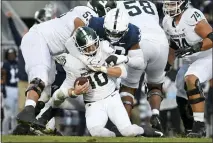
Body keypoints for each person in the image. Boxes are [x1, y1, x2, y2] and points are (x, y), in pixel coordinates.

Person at [48, 26, 144, 137]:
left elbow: (123, 72)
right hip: (93, 103)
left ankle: (145, 131)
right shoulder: (73, 60)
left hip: (112, 97)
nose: (92, 49)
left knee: (128, 131)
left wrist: (103, 68)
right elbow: (60, 94)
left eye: (93, 45)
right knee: (97, 133)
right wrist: (75, 92)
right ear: (79, 48)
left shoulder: (105, 48)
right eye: (87, 48)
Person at [16, 5, 98, 129]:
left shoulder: (91, 18)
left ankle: (30, 125)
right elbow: (78, 28)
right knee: (41, 74)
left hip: (50, 49)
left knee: (47, 89)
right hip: (38, 38)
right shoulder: (88, 13)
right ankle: (27, 111)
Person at [115, 1, 169, 132]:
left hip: (139, 39)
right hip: (161, 41)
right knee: (155, 84)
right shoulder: (150, 4)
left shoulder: (120, 3)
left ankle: (125, 125)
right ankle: (156, 114)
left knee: (128, 86)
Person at [162, 0, 213, 137]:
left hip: (207, 56)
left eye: (173, 4)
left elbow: (211, 38)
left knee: (191, 78)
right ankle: (190, 127)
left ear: (183, 3)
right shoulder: (167, 21)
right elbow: (173, 45)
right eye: (168, 4)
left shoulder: (191, 15)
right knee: (180, 87)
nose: (169, 7)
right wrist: (166, 68)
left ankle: (200, 126)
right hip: (190, 61)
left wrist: (194, 48)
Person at [2, 48, 19, 134]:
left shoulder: (18, 63)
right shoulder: (5, 64)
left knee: (16, 115)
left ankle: (14, 132)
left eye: (13, 54)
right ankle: (5, 133)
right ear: (7, 55)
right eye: (10, 54)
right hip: (9, 89)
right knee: (8, 115)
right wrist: (3, 91)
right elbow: (3, 79)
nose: (11, 56)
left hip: (17, 89)